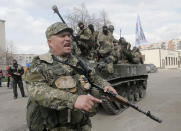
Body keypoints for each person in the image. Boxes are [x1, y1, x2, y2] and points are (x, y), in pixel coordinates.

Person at [25, 22, 117, 131]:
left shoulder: (78, 62)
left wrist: (106, 85)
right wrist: (73, 100)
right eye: (62, 36)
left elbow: (94, 78)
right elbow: (37, 91)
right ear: (50, 42)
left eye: (69, 35)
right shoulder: (39, 64)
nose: (68, 39)